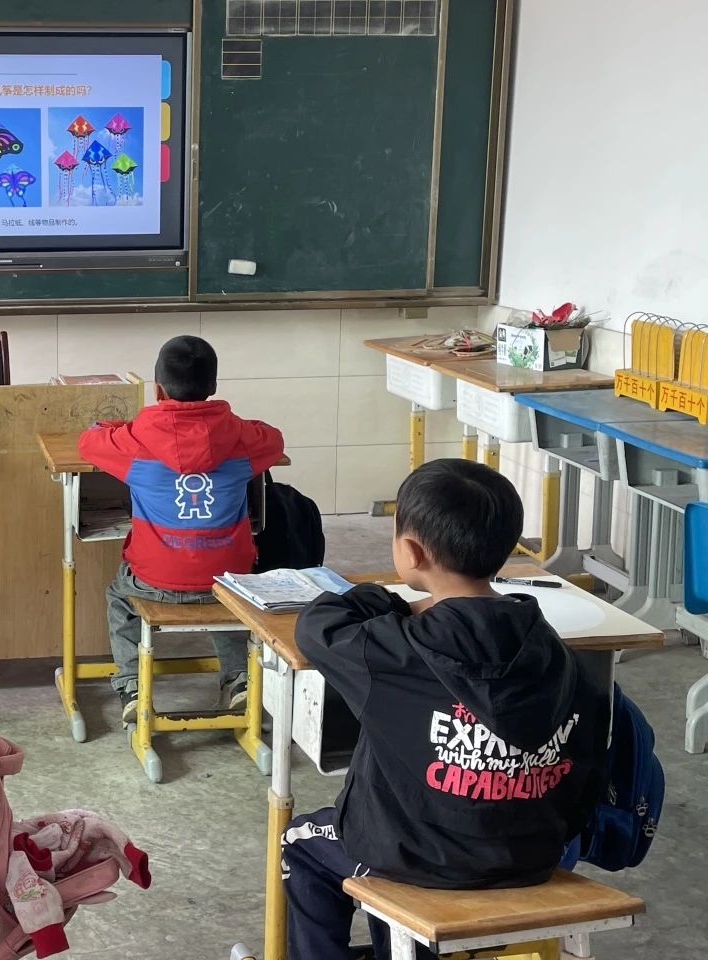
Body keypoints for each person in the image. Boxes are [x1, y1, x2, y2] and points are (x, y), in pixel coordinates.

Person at [284, 460, 610, 959]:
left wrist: (391, 602)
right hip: (530, 854)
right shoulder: (550, 648)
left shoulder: (392, 649)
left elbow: (318, 623)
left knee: (301, 842)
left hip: (414, 857)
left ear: (411, 552)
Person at [78, 335, 284, 723]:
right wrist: (232, 425)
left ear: (158, 389)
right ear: (214, 386)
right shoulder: (240, 438)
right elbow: (273, 438)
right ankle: (239, 679)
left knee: (119, 598)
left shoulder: (136, 440)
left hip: (153, 580)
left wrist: (121, 424)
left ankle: (132, 685)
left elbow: (89, 441)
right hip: (227, 580)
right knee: (224, 592)